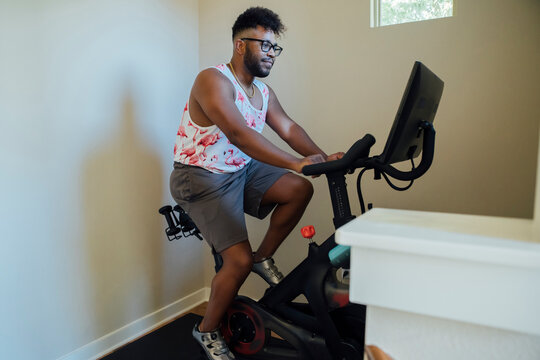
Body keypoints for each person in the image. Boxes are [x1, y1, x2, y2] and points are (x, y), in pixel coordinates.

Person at [169, 7, 343, 360]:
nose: (270, 54)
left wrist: (323, 160)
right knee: (237, 261)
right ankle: (206, 331)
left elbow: (290, 129)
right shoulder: (213, 80)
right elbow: (237, 132)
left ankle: (263, 258)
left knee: (299, 189)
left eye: (275, 48)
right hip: (201, 176)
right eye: (264, 45)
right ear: (239, 45)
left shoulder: (262, 92)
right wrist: (296, 162)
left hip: (240, 169)